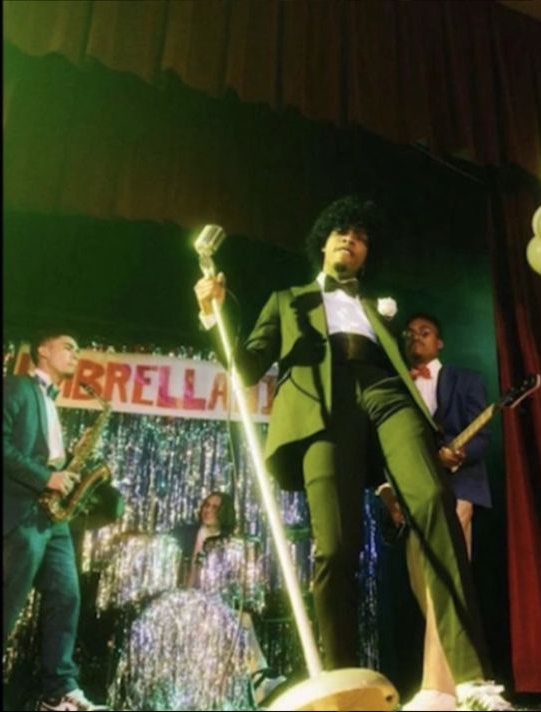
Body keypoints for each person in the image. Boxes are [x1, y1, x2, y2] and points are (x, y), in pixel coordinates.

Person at [194, 195, 503, 707]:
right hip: (321, 406)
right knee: (336, 548)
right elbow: (245, 367)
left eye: (360, 238)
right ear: (323, 242)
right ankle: (340, 689)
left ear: (365, 256)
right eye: (342, 232)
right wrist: (214, 312)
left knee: (434, 504)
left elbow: (418, 366)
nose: (350, 240)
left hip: (383, 391)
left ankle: (471, 679)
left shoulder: (376, 309)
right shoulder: (285, 299)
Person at [379, 313, 511, 711]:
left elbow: (481, 434)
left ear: (440, 343)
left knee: (445, 582)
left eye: (425, 332)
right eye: (409, 333)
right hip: (412, 494)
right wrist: (389, 493)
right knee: (425, 585)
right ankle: (455, 684)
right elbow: (386, 444)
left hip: (457, 490)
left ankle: (435, 689)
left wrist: (459, 453)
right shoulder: (396, 385)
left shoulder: (464, 379)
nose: (415, 337)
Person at [3, 331, 109, 711]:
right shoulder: (15, 387)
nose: (76, 355)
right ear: (43, 350)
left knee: (66, 596)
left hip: (53, 516)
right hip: (24, 510)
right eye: (69, 347)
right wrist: (46, 477)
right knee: (8, 603)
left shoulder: (51, 402)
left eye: (79, 349)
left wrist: (67, 471)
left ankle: (58, 691)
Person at [170, 490, 286, 705]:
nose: (209, 510)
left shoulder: (230, 543)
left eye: (215, 507)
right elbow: (185, 581)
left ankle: (253, 680)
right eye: (207, 505)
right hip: (186, 600)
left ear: (225, 513)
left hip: (216, 603)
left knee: (242, 620)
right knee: (238, 621)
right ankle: (259, 677)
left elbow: (232, 584)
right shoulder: (186, 535)